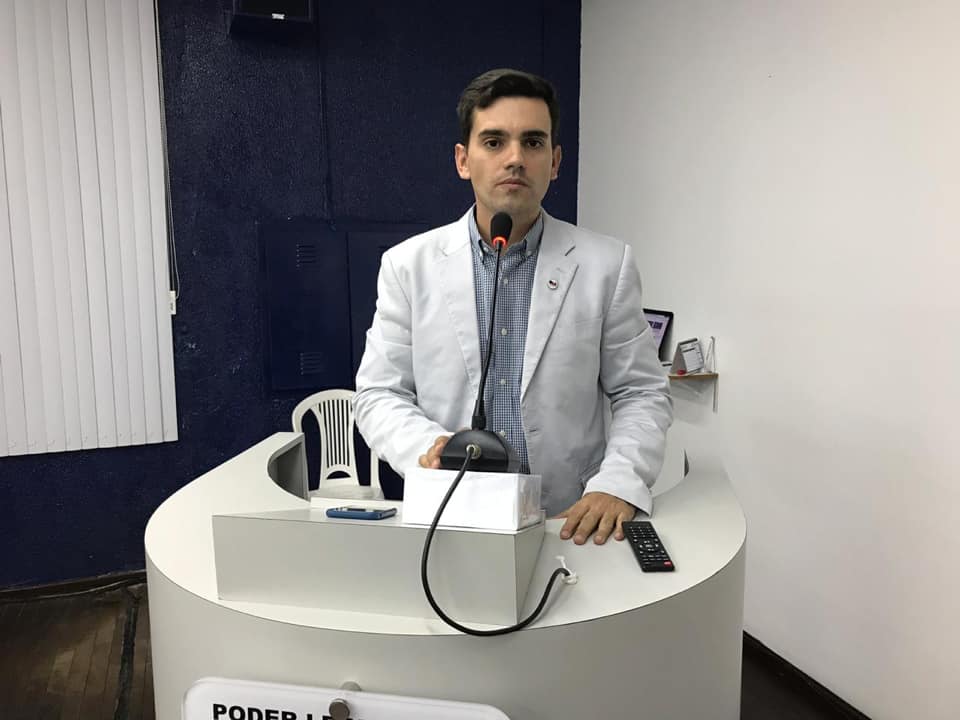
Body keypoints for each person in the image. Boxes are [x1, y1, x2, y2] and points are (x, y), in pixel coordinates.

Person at [354, 68, 672, 545]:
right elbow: (379, 393)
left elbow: (641, 392)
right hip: (450, 513)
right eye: (494, 141)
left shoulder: (606, 265)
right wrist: (428, 448)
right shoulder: (407, 266)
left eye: (533, 142)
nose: (516, 159)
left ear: (555, 162)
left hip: (568, 522)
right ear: (463, 160)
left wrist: (618, 482)